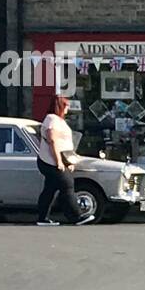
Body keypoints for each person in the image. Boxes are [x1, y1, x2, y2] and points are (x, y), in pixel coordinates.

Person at [35, 94, 95, 226]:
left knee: (49, 189)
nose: (68, 107)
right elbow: (52, 141)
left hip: (56, 160)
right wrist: (59, 162)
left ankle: (42, 218)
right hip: (50, 161)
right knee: (67, 185)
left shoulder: (59, 120)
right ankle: (76, 216)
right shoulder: (52, 119)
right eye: (66, 105)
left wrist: (68, 161)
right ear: (59, 106)